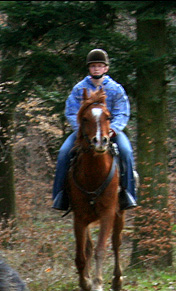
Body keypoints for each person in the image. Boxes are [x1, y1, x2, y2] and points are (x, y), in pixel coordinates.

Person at [52, 48, 138, 212]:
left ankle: (128, 194)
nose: (96, 69)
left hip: (110, 132)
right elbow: (71, 111)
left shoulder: (116, 89)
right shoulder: (79, 89)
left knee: (126, 151)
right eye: (93, 66)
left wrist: (114, 128)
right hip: (86, 133)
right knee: (63, 153)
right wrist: (84, 130)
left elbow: (123, 112)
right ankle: (60, 196)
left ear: (106, 68)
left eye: (100, 66)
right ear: (89, 69)